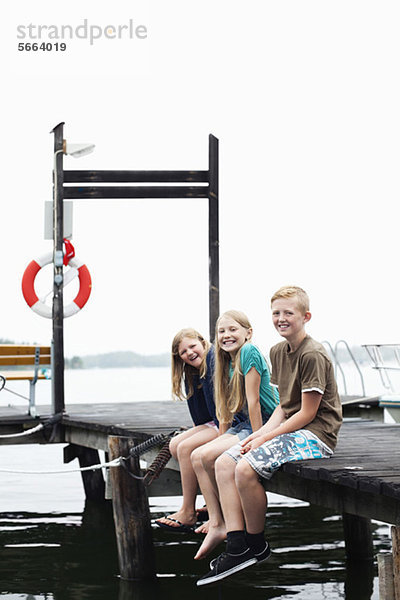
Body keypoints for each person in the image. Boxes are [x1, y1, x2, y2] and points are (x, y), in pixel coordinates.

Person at [197, 286, 343, 586]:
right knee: (226, 462)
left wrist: (267, 437)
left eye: (288, 312)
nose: (281, 318)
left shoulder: (312, 354)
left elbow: (306, 413)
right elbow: (282, 406)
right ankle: (236, 546)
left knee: (245, 468)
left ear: (306, 316)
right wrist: (260, 433)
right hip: (291, 427)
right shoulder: (277, 351)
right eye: (276, 313)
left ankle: (256, 543)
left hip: (316, 435)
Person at [191, 310, 279, 560]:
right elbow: (226, 409)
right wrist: (221, 438)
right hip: (242, 425)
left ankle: (231, 529)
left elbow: (253, 403)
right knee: (199, 456)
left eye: (233, 330)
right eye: (221, 331)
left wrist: (259, 439)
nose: (226, 335)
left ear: (248, 333)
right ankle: (218, 522)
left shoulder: (249, 352)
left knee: (218, 461)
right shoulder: (224, 360)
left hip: (261, 423)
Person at [155, 328, 219, 532]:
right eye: (183, 352)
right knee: (175, 445)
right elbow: (200, 417)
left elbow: (222, 414)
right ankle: (212, 501)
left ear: (202, 343)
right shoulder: (192, 373)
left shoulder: (214, 363)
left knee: (185, 449)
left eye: (192, 346)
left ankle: (188, 511)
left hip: (228, 423)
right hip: (213, 423)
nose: (189, 353)